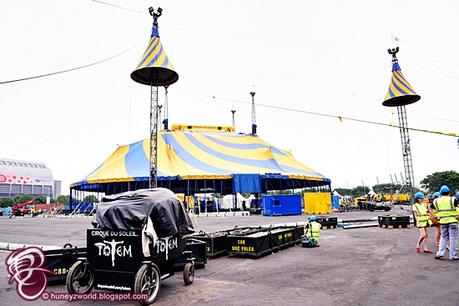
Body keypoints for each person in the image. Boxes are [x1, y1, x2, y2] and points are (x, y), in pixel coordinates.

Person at [431, 185, 459, 260]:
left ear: (441, 193)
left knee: (443, 237)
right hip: (453, 221)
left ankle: (440, 253)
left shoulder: (436, 200)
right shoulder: (453, 199)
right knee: (453, 238)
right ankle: (453, 255)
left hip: (443, 221)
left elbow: (430, 208)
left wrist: (434, 216)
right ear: (449, 192)